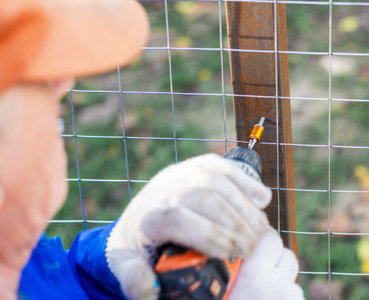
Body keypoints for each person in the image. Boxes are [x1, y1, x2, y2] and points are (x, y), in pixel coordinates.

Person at [0, 0, 305, 299]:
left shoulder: (15, 258)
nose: (63, 81)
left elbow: (56, 282)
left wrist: (118, 251)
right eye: (32, 77)